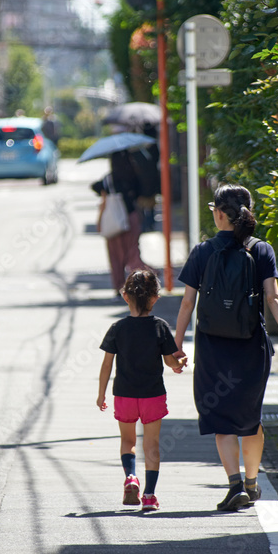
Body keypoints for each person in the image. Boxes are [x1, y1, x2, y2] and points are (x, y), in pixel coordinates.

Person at [174, 184, 278, 511]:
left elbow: (188, 303)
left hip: (213, 348)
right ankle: (252, 483)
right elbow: (273, 297)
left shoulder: (203, 251)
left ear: (218, 213)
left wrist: (176, 345)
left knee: (221, 418)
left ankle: (234, 485)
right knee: (250, 418)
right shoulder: (261, 250)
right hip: (251, 347)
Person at [97, 270, 186, 512]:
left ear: (125, 296)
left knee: (128, 440)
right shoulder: (160, 327)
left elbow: (107, 364)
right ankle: (149, 496)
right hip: (153, 395)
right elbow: (170, 361)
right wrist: (180, 364)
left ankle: (131, 477)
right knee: (152, 445)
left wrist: (101, 393)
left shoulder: (117, 328)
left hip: (124, 394)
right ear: (155, 298)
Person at [92, 150, 151, 295]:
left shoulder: (108, 180)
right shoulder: (134, 176)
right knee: (132, 252)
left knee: (115, 256)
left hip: (114, 221)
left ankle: (119, 287)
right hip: (131, 218)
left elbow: (94, 186)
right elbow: (143, 192)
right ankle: (140, 283)